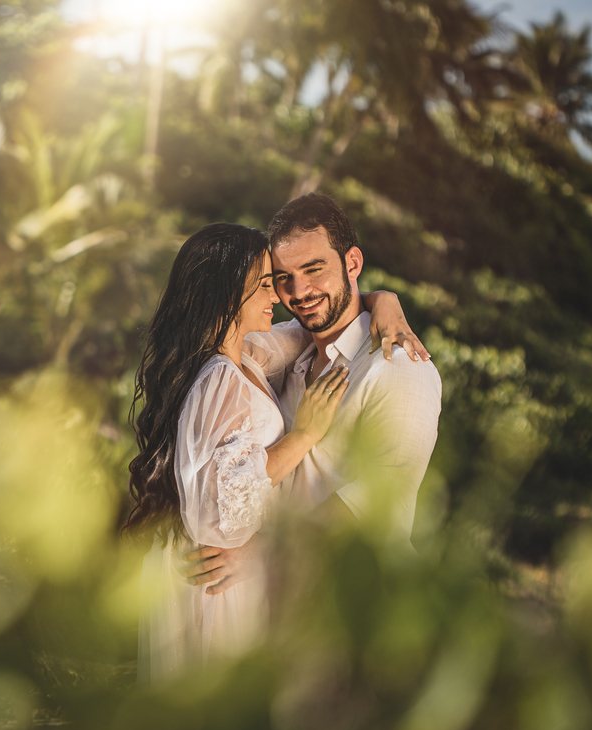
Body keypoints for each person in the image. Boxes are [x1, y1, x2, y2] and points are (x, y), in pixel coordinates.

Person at [123, 222, 426, 684]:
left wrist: (381, 300)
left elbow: (315, 324)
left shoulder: (248, 354)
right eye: (269, 283)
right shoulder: (218, 375)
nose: (282, 296)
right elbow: (216, 511)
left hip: (246, 576)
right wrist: (303, 436)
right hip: (220, 572)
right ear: (229, 296)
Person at [182, 193, 442, 595]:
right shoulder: (293, 347)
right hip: (277, 601)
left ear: (352, 263)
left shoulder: (402, 367)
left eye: (313, 269)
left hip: (352, 599)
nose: (299, 291)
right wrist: (381, 299)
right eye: (282, 277)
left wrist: (262, 550)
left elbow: (380, 501)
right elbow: (221, 339)